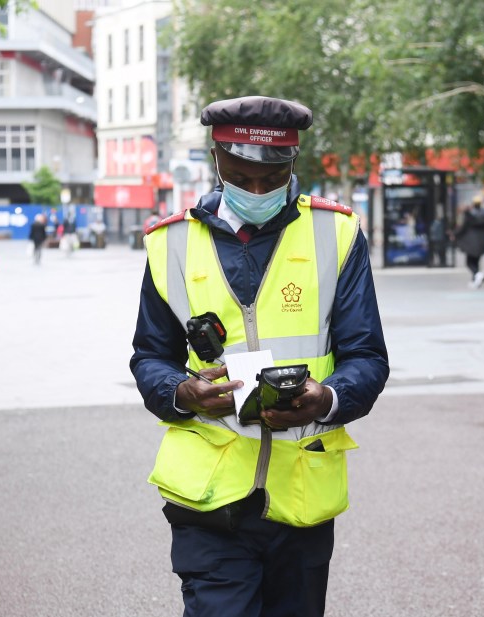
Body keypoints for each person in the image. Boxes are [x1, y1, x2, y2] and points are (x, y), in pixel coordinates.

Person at [130, 95, 389, 616]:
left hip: (301, 491)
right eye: (242, 176)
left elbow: (367, 355)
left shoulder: (335, 234)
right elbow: (149, 356)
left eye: (270, 178)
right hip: (210, 497)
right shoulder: (171, 243)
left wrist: (329, 398)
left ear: (292, 163)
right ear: (216, 160)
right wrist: (181, 393)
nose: (256, 189)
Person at [453, 198, 484, 288]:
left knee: (469, 262)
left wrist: (454, 234)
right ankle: (475, 280)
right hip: (481, 241)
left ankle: (477, 274)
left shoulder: (469, 215)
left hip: (470, 242)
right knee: (476, 261)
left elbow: (463, 228)